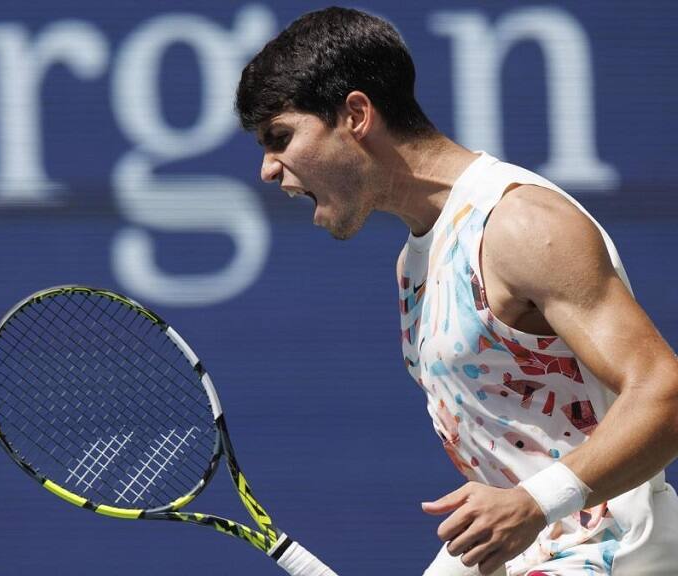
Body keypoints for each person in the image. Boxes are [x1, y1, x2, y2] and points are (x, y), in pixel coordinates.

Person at [235, 6, 678, 575]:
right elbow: (516, 468)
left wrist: (533, 504)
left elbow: (665, 393)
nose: (268, 170)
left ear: (356, 115)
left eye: (281, 138)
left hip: (608, 555)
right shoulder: (415, 261)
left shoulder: (519, 224)